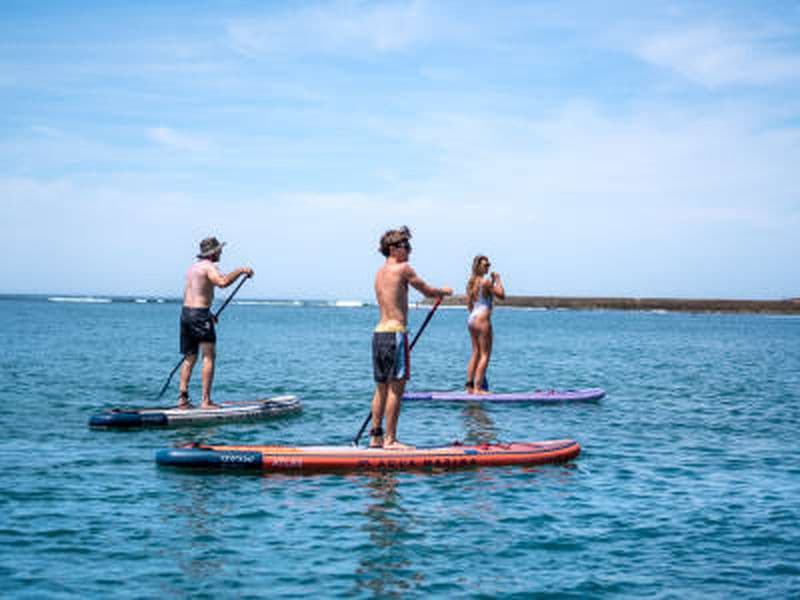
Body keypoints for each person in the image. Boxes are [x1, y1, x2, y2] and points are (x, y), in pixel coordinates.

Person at [370, 226, 453, 449]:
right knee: (396, 389)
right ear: (392, 249)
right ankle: (390, 440)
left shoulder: (378, 273)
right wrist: (444, 291)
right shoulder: (403, 268)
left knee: (381, 388)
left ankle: (375, 437)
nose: (409, 250)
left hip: (378, 334)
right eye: (405, 246)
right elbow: (427, 291)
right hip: (395, 334)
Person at [177, 236, 254, 409]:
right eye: (219, 249)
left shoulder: (193, 268)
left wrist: (207, 313)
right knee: (209, 357)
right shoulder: (209, 267)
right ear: (213, 252)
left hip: (186, 313)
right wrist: (241, 270)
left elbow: (194, 293)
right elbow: (222, 282)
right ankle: (206, 401)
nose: (221, 252)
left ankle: (182, 399)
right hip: (199, 316)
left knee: (189, 357)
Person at [465, 255, 505, 394]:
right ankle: (477, 388)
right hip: (482, 319)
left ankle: (469, 386)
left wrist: (492, 282)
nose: (488, 267)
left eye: (489, 264)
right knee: (485, 354)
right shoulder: (485, 282)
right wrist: (498, 280)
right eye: (485, 265)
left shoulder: (471, 283)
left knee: (475, 352)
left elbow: (470, 304)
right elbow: (501, 295)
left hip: (472, 318)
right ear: (479, 267)